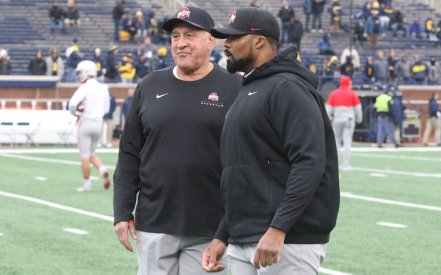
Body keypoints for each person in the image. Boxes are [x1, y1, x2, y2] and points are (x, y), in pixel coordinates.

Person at [204, 7, 339, 274]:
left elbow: (309, 162)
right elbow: (241, 171)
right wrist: (224, 233)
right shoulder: (250, 88)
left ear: (259, 41)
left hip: (286, 240)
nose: (226, 44)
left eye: (233, 37)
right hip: (245, 235)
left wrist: (279, 228)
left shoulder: (288, 88)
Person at [113, 6, 241, 275]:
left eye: (190, 35)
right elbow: (129, 153)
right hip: (154, 221)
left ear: (210, 41)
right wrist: (122, 212)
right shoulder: (149, 85)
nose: (181, 43)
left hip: (211, 226)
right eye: (175, 36)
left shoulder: (234, 86)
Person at [68, 60, 111, 192]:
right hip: (98, 125)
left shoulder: (85, 87)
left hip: (85, 123)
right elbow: (107, 109)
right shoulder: (103, 88)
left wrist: (76, 113)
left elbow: (72, 104)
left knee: (84, 155)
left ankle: (87, 185)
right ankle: (103, 169)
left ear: (86, 72)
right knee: (91, 153)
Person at [326, 76, 362, 171]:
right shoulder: (352, 94)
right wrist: (359, 119)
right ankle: (345, 164)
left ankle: (335, 165)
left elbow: (327, 109)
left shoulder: (334, 94)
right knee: (347, 142)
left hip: (337, 120)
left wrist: (329, 119)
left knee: (336, 142)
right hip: (348, 120)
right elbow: (358, 109)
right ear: (349, 83)